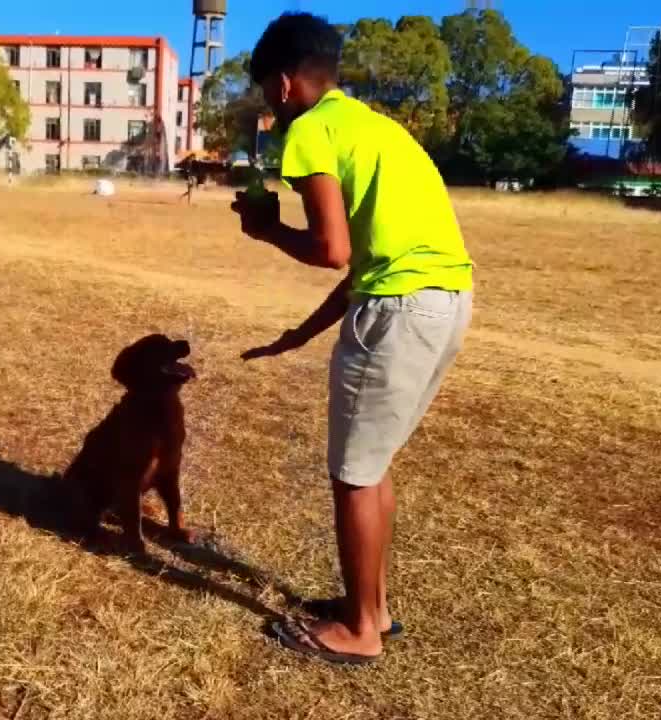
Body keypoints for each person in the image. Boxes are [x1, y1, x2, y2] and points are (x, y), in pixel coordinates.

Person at [232, 12, 475, 666]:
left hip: (399, 311)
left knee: (353, 475)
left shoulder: (308, 131)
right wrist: (297, 334)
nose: (267, 104)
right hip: (447, 302)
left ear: (283, 84)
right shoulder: (375, 128)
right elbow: (374, 260)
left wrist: (266, 230)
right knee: (372, 465)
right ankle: (374, 608)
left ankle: (361, 630)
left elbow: (333, 251)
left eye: (263, 90)